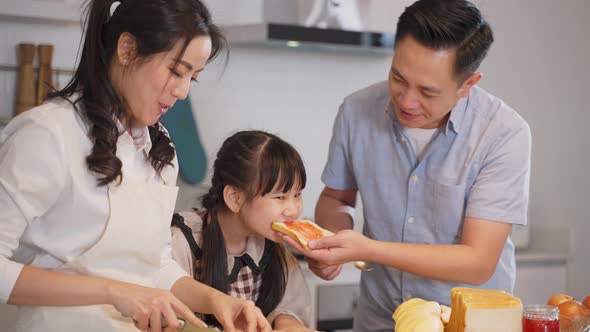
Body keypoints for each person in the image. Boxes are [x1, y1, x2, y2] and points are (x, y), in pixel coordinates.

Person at [0, 1, 271, 331]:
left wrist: (217, 300)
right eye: (176, 71)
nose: (183, 91)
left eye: (193, 78)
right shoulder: (47, 134)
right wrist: (114, 291)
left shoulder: (160, 149)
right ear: (127, 49)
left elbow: (154, 266)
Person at [281, 0, 531, 331]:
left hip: (465, 324)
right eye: (398, 77)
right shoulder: (356, 112)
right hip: (379, 319)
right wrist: (335, 240)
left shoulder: (503, 133)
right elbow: (336, 199)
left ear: (467, 85)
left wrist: (370, 249)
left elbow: (477, 261)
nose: (406, 100)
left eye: (427, 91)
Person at [170, 130, 315, 332]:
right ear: (235, 198)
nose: (293, 210)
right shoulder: (184, 241)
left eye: (297, 195)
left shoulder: (272, 245)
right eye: (280, 197)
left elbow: (288, 308)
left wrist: (287, 322)